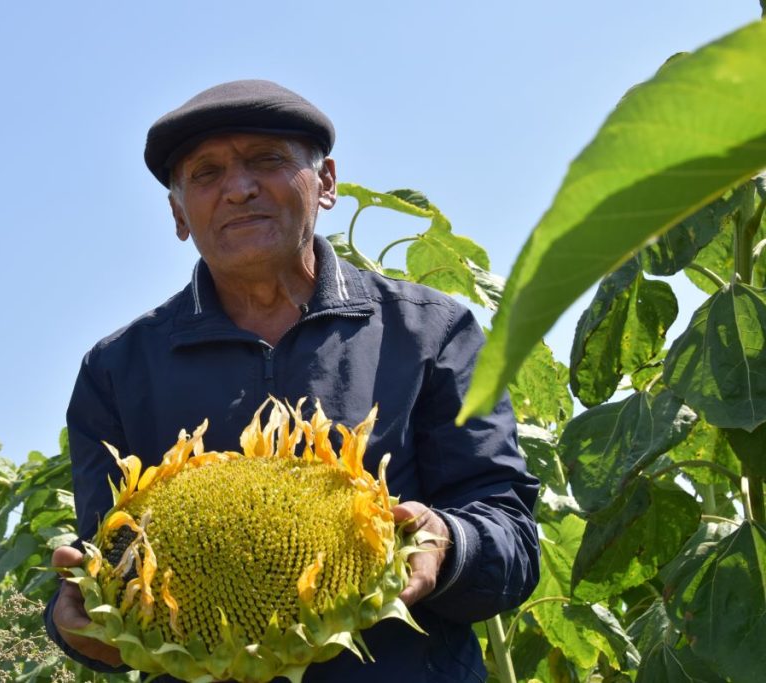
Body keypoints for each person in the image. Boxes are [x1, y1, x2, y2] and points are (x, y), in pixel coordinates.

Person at [45, 79, 539, 682]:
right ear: (179, 213)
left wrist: (448, 544)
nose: (239, 188)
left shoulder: (431, 333)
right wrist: (76, 621)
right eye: (206, 174)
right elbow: (110, 560)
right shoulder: (117, 371)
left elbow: (511, 536)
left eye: (268, 161)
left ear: (325, 183)